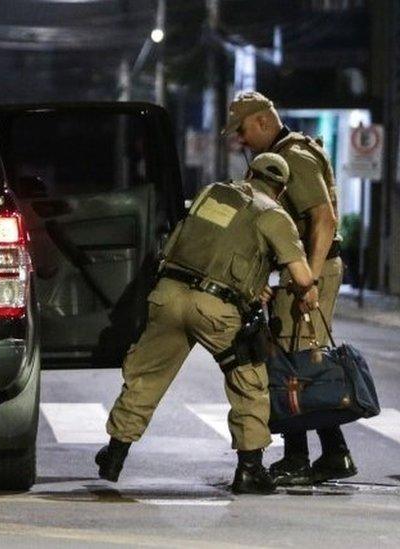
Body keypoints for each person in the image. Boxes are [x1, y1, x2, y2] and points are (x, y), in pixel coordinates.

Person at [96, 153, 319, 494]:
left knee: (146, 377)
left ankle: (114, 455)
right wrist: (306, 290)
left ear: (248, 172)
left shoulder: (213, 193)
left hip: (168, 295)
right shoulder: (275, 215)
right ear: (282, 188)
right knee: (248, 380)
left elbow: (201, 243)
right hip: (216, 310)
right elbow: (302, 277)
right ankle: (249, 470)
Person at [223, 91, 353, 486]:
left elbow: (323, 219)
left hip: (311, 269)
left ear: (262, 121)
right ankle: (334, 454)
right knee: (293, 358)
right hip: (295, 271)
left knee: (292, 362)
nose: (240, 140)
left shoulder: (294, 156)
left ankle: (302, 457)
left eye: (243, 130)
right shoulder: (279, 156)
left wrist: (307, 281)